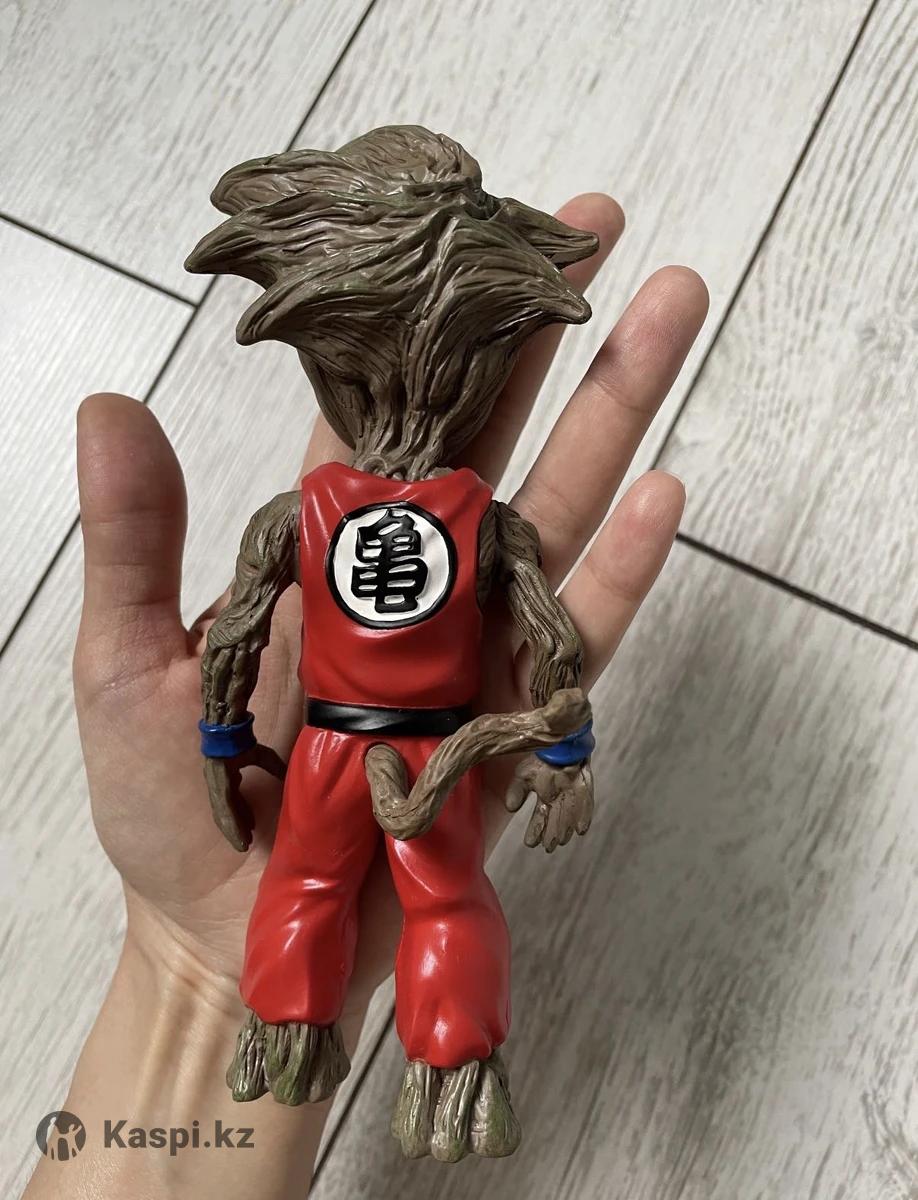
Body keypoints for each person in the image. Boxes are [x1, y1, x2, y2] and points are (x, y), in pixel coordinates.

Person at [24, 190, 707, 1198]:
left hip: (328, 752)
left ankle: (283, 1034)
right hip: (436, 752)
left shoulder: (299, 515)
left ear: (331, 363)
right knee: (450, 899)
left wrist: (222, 741)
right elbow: (555, 640)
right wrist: (562, 755)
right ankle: (455, 1072)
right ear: (479, 370)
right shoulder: (484, 523)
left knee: (304, 882)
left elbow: (238, 639)